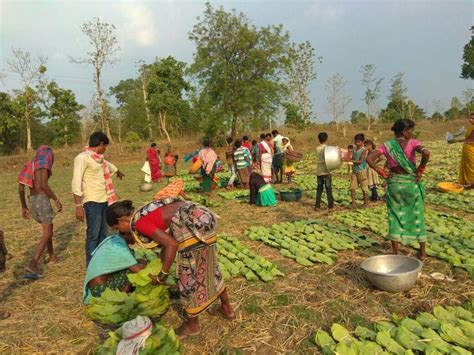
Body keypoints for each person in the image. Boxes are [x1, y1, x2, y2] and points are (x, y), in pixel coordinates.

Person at [114, 193, 234, 337]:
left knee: (188, 277)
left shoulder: (140, 223)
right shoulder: (148, 210)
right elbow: (168, 238)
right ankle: (226, 308)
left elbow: (172, 244)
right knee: (210, 266)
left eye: (117, 228)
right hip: (203, 218)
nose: (120, 232)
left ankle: (192, 325)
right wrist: (161, 261)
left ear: (121, 221)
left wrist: (161, 277)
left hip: (191, 226)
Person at [366, 119, 430, 260]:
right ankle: (423, 253)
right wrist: (421, 168)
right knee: (417, 216)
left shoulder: (387, 146)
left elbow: (369, 158)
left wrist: (381, 172)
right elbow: (426, 153)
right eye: (410, 130)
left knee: (394, 216)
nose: (411, 133)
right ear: (403, 131)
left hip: (395, 184)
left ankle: (396, 253)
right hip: (410, 185)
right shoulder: (414, 143)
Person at [72, 132, 124, 265]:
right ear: (100, 144)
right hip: (92, 202)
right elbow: (76, 181)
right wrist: (78, 206)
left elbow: (109, 165)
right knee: (93, 236)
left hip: (104, 200)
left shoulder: (99, 159)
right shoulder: (83, 158)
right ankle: (92, 266)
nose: (105, 149)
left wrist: (118, 171)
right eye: (105, 146)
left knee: (103, 234)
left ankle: (101, 263)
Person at [83, 204, 147, 303]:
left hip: (101, 283)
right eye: (134, 234)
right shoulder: (118, 247)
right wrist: (146, 264)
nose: (136, 236)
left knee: (138, 263)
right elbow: (138, 269)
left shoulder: (115, 240)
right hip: (100, 290)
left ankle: (123, 292)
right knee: (135, 272)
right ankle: (120, 297)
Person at [18, 145, 62, 279]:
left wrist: (24, 206)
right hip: (42, 199)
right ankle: (33, 263)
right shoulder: (43, 163)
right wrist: (56, 199)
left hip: (32, 200)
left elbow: (20, 187)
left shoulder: (30, 164)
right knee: (48, 232)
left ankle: (52, 256)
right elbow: (43, 185)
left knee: (48, 227)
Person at [315, 133, 334, 211]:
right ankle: (330, 206)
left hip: (319, 171)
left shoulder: (317, 148)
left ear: (319, 139)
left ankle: (317, 206)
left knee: (319, 189)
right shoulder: (328, 148)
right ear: (326, 139)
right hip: (326, 171)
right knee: (328, 188)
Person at [350, 133, 370, 208]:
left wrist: (350, 160)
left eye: (358, 141)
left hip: (361, 171)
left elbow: (360, 161)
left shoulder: (364, 150)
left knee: (364, 187)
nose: (357, 143)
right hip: (354, 171)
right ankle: (353, 203)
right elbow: (353, 158)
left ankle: (366, 203)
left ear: (362, 142)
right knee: (352, 187)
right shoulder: (354, 149)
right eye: (356, 141)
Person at [457, 112, 474, 188]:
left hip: (470, 147)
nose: (471, 120)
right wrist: (456, 140)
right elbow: (466, 138)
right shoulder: (471, 127)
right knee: (467, 166)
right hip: (467, 147)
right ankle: (468, 182)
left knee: (471, 166)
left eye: (473, 118)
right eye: (470, 118)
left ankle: (470, 183)